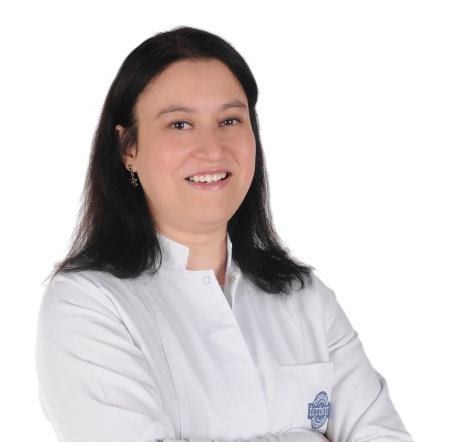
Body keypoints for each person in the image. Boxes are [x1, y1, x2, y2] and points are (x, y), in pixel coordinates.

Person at [35, 27, 413, 442]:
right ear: (128, 148)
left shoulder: (305, 297)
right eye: (180, 124)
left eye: (230, 120)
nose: (213, 149)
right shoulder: (88, 304)